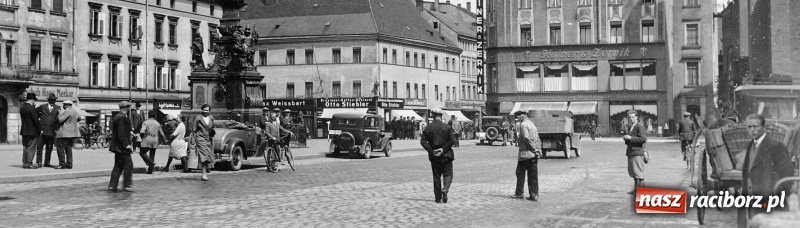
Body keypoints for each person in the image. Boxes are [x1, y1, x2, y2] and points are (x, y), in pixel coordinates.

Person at [737, 114, 794, 225]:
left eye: (755, 126)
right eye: (749, 127)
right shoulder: (752, 145)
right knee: (753, 223)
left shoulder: (776, 146)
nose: (752, 130)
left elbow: (787, 173)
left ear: (764, 127)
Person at [420, 108, 456, 203]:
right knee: (448, 174)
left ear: (432, 115)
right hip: (446, 155)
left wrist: (432, 151)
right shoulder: (447, 127)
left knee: (436, 177)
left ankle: (437, 198)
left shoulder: (428, 127)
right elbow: (452, 140)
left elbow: (423, 141)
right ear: (441, 116)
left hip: (434, 156)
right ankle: (445, 189)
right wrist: (443, 149)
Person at [511, 111, 541, 201]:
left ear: (523, 115)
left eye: (518, 116)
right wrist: (537, 150)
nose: (517, 118)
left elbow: (526, 138)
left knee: (520, 173)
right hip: (533, 155)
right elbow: (538, 138)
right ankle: (534, 195)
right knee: (533, 176)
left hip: (525, 155)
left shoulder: (523, 124)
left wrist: (533, 148)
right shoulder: (532, 125)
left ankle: (519, 193)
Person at [108, 101, 134, 192]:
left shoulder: (118, 116)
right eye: (129, 108)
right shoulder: (122, 117)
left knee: (119, 165)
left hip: (117, 146)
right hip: (121, 146)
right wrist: (127, 145)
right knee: (129, 165)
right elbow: (121, 133)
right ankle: (127, 185)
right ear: (126, 108)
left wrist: (131, 133)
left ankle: (112, 186)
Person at [624, 110, 648, 194]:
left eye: (632, 117)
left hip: (637, 152)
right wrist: (626, 139)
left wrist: (630, 138)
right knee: (633, 172)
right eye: (629, 117)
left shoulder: (639, 126)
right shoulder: (631, 126)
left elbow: (643, 139)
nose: (631, 119)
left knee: (638, 173)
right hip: (631, 152)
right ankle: (636, 189)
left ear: (637, 117)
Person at [36, 93, 60, 168]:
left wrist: (56, 128)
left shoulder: (58, 108)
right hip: (42, 130)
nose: (53, 101)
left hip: (51, 131)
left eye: (54, 100)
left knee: (49, 148)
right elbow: (34, 112)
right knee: (40, 147)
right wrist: (41, 118)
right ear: (48, 100)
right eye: (51, 100)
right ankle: (39, 162)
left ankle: (47, 162)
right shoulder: (42, 106)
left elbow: (59, 118)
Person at [55, 100, 80, 169]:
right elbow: (79, 118)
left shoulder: (67, 111)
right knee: (68, 149)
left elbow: (60, 119)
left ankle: (62, 164)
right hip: (73, 133)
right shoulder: (75, 112)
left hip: (65, 133)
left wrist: (60, 113)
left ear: (68, 105)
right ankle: (69, 164)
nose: (63, 106)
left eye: (64, 104)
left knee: (60, 148)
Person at [193, 104, 215, 181]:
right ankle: (204, 174)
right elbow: (194, 130)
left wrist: (212, 133)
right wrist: (194, 141)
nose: (206, 112)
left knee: (208, 155)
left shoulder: (211, 118)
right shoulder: (198, 118)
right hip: (200, 138)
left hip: (208, 139)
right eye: (204, 110)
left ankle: (205, 171)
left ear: (209, 111)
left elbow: (212, 128)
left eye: (207, 110)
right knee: (204, 156)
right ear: (202, 110)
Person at [20, 93, 41, 169]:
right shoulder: (32, 108)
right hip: (32, 131)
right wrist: (40, 130)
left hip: (24, 131)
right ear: (32, 100)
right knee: (31, 147)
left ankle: (25, 162)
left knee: (25, 147)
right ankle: (28, 163)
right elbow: (36, 121)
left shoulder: (22, 107)